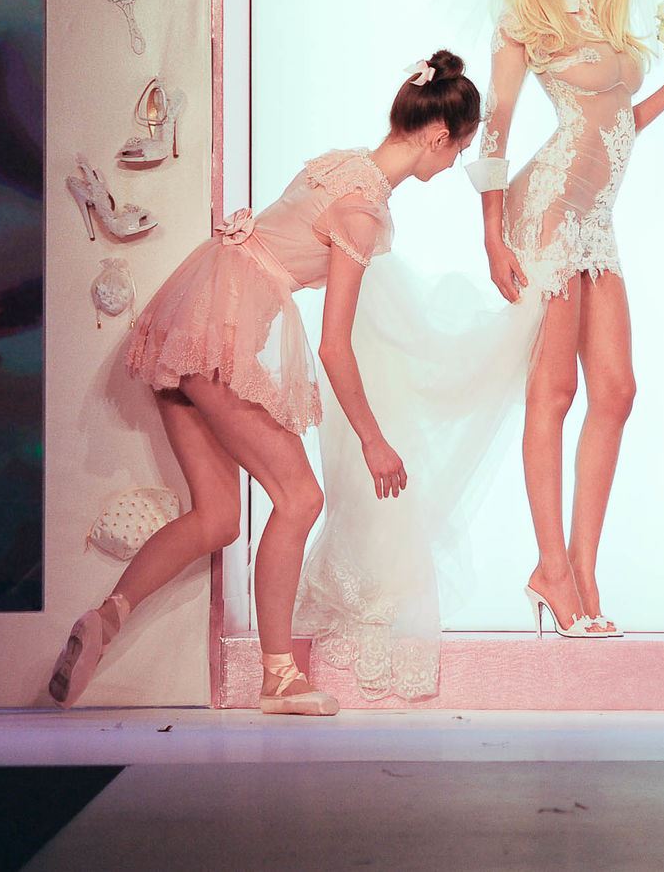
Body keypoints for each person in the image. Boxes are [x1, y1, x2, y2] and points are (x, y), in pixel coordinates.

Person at [46, 53, 482, 713]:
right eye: (460, 150)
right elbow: (334, 346)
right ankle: (278, 677)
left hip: (188, 319)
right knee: (300, 497)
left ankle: (106, 618)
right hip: (216, 337)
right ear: (438, 136)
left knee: (218, 517)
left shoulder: (341, 164)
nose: (452, 165)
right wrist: (373, 440)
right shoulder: (362, 208)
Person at [465, 0, 664, 639]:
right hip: (544, 212)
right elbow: (496, 130)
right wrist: (492, 236)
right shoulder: (524, 21)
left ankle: (582, 566)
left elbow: (614, 123)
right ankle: (552, 568)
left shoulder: (604, 17)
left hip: (596, 218)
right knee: (554, 394)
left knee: (617, 391)